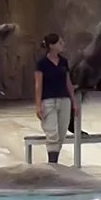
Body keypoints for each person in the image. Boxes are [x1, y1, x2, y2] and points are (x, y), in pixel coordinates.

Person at [34, 33, 79, 165]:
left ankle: (55, 162)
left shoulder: (64, 61)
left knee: (61, 133)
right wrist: (38, 105)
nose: (63, 45)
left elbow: (68, 83)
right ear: (51, 46)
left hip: (64, 100)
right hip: (48, 101)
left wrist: (74, 102)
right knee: (52, 134)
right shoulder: (41, 63)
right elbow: (38, 84)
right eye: (60, 43)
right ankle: (52, 164)